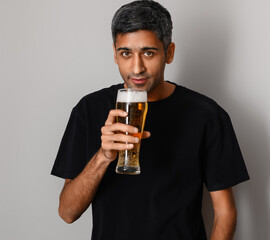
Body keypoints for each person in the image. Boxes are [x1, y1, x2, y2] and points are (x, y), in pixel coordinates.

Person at [51, 0, 249, 239]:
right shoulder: (88, 110)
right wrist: (103, 157)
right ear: (115, 54)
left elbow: (225, 212)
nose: (137, 68)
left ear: (169, 52)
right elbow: (67, 212)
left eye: (148, 52)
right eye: (126, 53)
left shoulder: (207, 115)